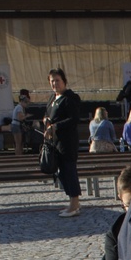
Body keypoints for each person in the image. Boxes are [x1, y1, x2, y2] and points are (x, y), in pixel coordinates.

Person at [43, 68, 81, 217]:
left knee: (69, 171)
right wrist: (46, 121)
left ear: (64, 81)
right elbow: (47, 114)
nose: (55, 83)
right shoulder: (52, 98)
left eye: (57, 80)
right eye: (52, 81)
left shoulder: (70, 98)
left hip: (67, 142)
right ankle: (72, 201)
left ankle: (74, 204)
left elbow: (74, 119)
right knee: (61, 173)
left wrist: (55, 126)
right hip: (55, 143)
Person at [11, 89, 31, 156]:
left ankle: (19, 154)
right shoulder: (19, 107)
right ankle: (18, 155)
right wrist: (26, 116)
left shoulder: (18, 107)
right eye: (26, 103)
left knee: (19, 143)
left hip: (15, 125)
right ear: (23, 102)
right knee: (18, 143)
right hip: (16, 125)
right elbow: (20, 117)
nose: (26, 105)